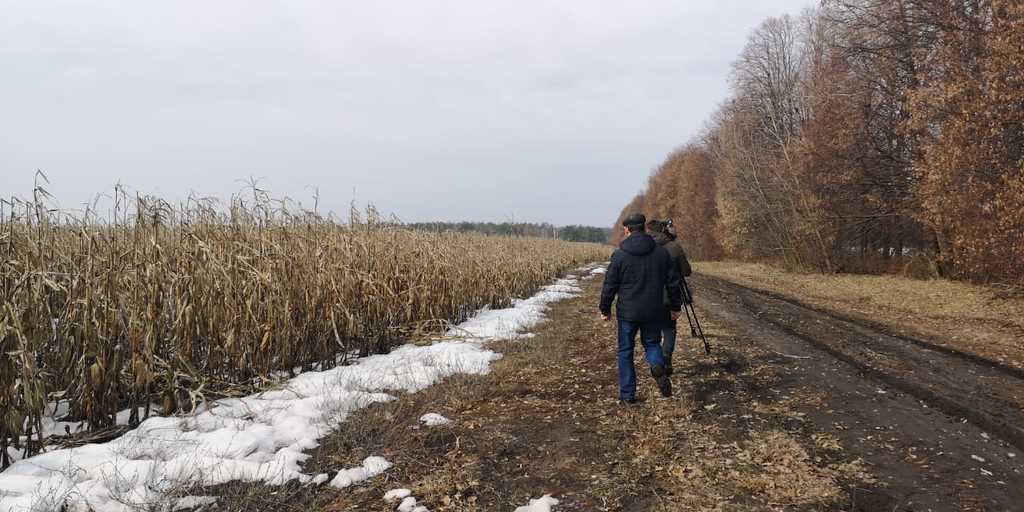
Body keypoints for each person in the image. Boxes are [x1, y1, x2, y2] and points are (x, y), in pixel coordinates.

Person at [599, 213, 684, 404]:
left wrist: (605, 309)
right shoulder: (661, 253)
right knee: (652, 344)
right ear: (645, 228)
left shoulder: (619, 255)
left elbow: (609, 285)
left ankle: (627, 396)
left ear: (627, 230)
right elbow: (673, 282)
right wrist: (675, 307)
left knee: (625, 351)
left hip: (628, 312)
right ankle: (657, 365)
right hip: (653, 310)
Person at [646, 219, 693, 376]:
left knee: (652, 334)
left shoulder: (644, 248)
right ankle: (666, 358)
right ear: (664, 231)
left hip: (647, 297)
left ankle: (657, 361)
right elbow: (686, 271)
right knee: (669, 330)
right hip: (669, 296)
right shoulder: (673, 247)